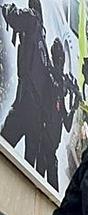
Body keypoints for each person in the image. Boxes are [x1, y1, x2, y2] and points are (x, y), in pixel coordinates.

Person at [0, 0, 50, 165]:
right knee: (28, 168)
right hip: (36, 113)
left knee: (4, 145)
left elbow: (14, 17)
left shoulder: (32, 18)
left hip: (26, 101)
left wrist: (7, 8)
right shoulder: (42, 39)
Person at [36, 38, 80, 190]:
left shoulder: (60, 102)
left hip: (51, 147)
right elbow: (51, 90)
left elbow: (67, 126)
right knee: (40, 180)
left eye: (62, 58)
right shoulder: (49, 76)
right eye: (58, 57)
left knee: (48, 186)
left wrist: (74, 106)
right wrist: (65, 83)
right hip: (43, 141)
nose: (60, 61)